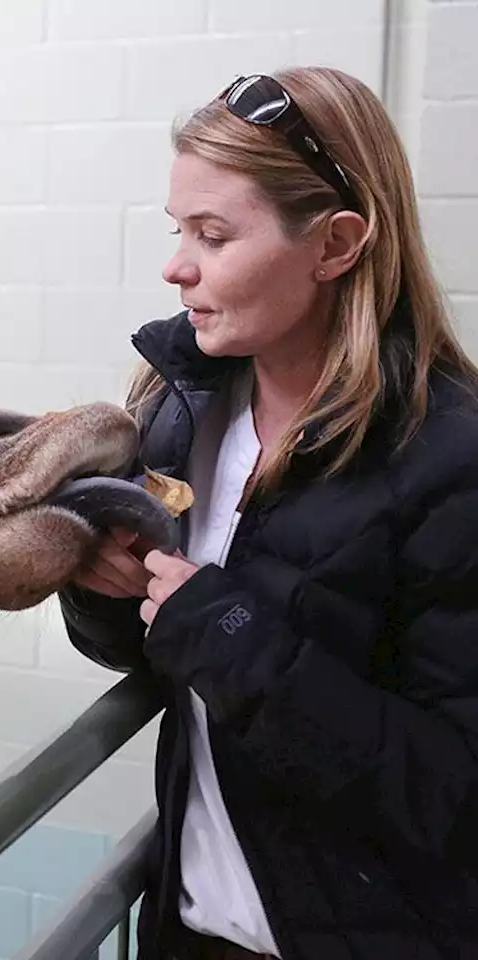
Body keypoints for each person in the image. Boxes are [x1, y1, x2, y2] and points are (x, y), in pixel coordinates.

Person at [59, 66, 478, 960]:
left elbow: (454, 791)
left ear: (335, 245)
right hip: (192, 933)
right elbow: (158, 645)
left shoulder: (452, 458)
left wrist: (223, 629)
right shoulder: (179, 410)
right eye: (180, 230)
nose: (176, 267)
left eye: (213, 235)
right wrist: (109, 590)